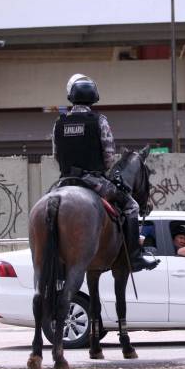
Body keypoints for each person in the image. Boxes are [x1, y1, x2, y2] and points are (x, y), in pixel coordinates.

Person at [53, 73, 158, 272]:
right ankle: (135, 257)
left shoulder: (59, 122)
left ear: (71, 97)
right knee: (132, 206)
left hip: (65, 181)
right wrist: (102, 169)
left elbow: (56, 154)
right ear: (94, 97)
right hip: (92, 181)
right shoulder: (99, 121)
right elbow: (109, 154)